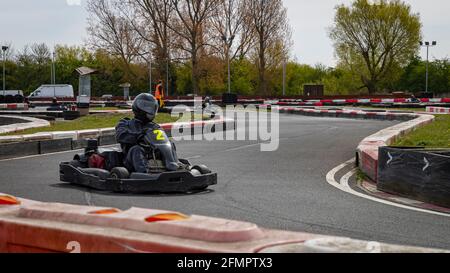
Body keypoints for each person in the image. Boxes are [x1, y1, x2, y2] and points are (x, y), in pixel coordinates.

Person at [115, 93, 161, 174]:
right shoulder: (125, 123)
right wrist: (138, 136)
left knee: (170, 145)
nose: (149, 110)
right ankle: (145, 173)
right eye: (146, 107)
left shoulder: (154, 126)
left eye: (151, 107)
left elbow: (162, 141)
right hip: (130, 160)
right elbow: (120, 136)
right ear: (138, 108)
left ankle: (175, 166)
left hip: (152, 156)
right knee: (136, 149)